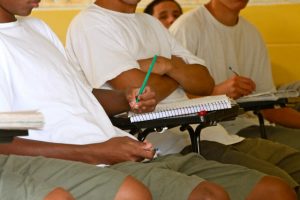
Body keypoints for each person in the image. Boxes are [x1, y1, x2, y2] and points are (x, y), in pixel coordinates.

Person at [1, 1, 297, 200]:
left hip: (122, 146)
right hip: (89, 157)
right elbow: (6, 135)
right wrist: (94, 151)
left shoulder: (38, 29)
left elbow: (80, 95)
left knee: (275, 189)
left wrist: (127, 99)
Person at [170, 0, 300, 151]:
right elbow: (169, 102)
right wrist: (217, 93)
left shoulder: (252, 33)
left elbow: (270, 109)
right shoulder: (187, 28)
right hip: (205, 133)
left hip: (249, 125)